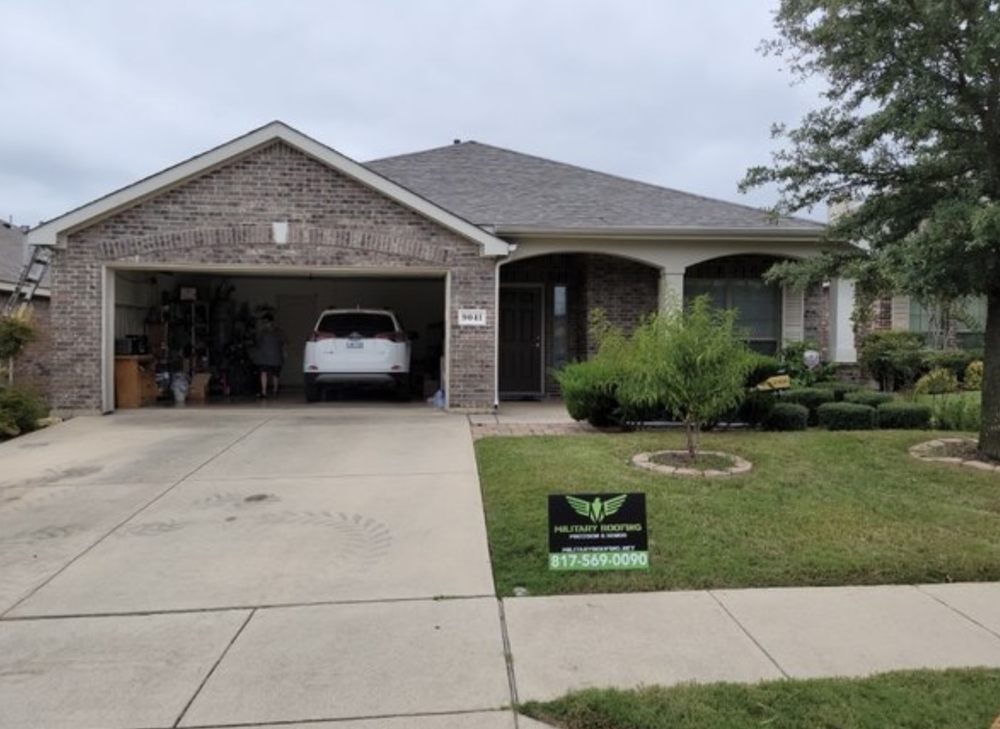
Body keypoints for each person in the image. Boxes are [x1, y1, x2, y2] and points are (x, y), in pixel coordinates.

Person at [255, 314, 285, 398]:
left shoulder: (275, 332)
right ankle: (266, 391)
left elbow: (258, 343)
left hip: (272, 357)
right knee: (269, 373)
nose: (265, 324)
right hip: (270, 357)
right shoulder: (265, 332)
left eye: (265, 322)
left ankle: (272, 390)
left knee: (273, 374)